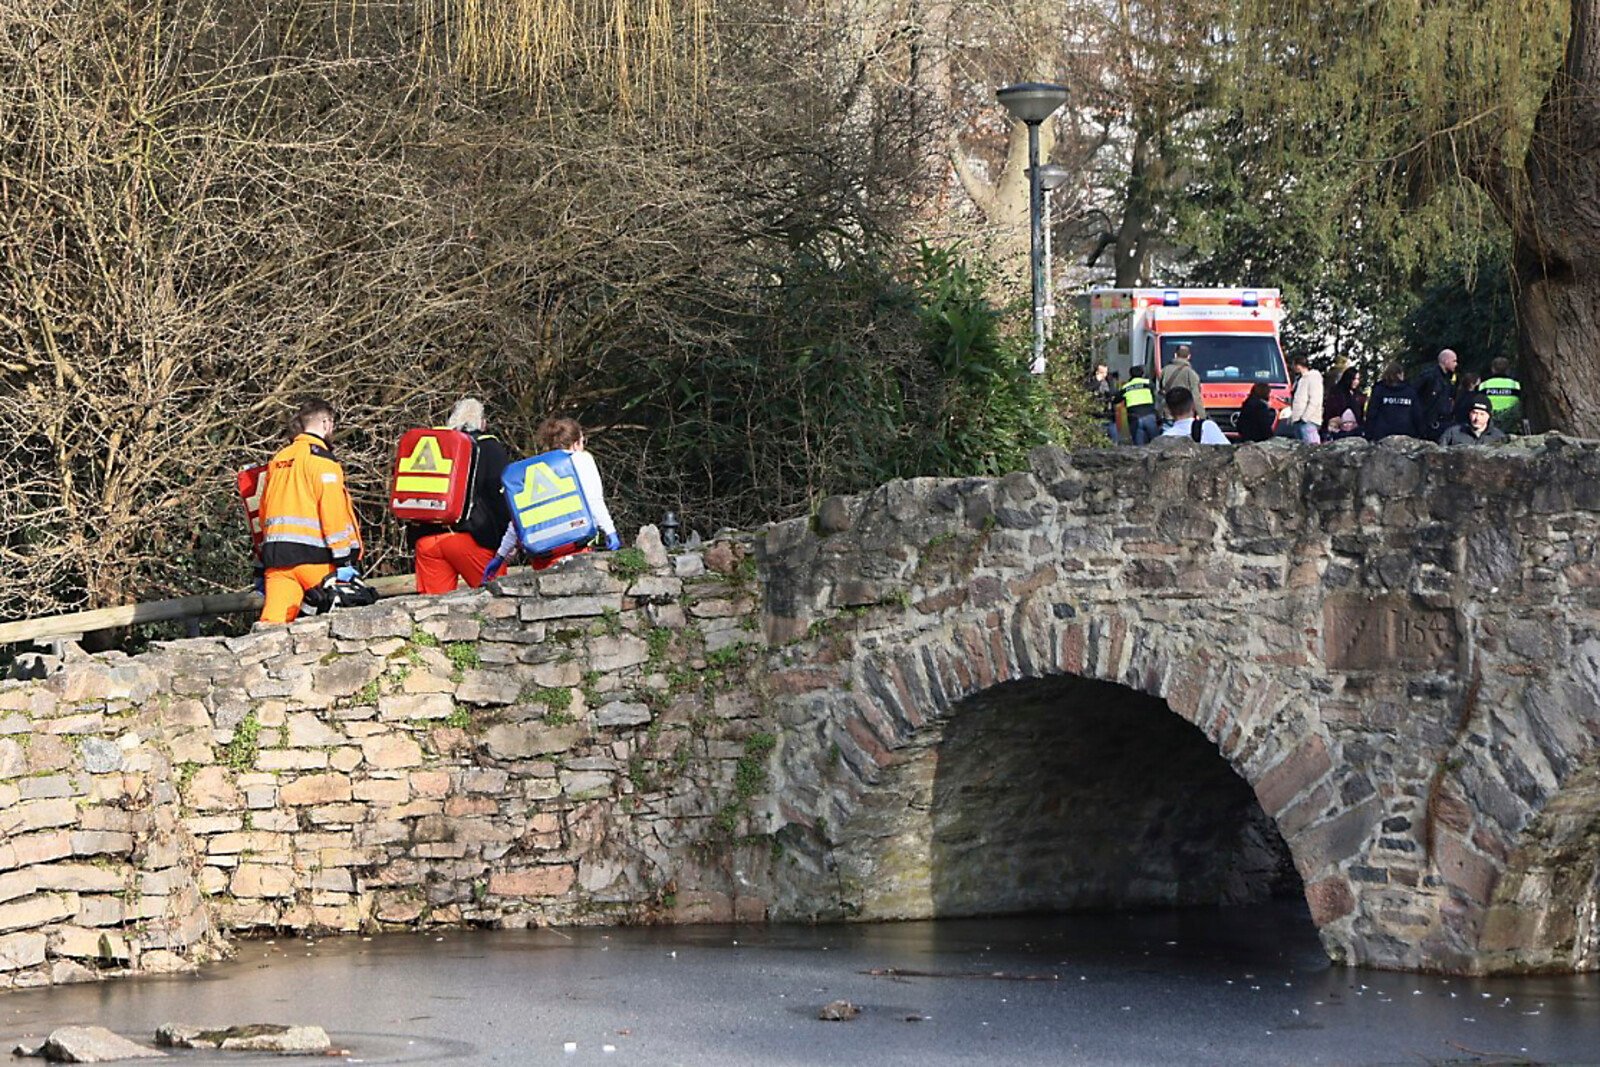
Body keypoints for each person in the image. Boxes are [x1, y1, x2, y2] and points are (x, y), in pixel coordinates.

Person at [257, 399, 363, 624]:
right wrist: (344, 560)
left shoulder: (279, 459)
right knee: (344, 620)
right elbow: (332, 512)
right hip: (318, 560)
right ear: (326, 423)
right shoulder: (322, 461)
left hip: (279, 561)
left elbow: (264, 509)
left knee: (271, 627)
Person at [485, 416, 621, 579]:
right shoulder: (579, 459)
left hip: (542, 557)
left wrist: (500, 556)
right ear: (577, 443)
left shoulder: (528, 471)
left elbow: (518, 521)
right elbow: (594, 501)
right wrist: (610, 530)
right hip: (576, 549)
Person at [409, 398, 514, 595]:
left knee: (432, 613)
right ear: (482, 423)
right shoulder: (490, 448)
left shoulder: (435, 445)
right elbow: (500, 500)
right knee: (497, 604)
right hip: (471, 540)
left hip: (427, 541)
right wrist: (507, 543)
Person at [1365, 362, 1425, 441]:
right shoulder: (1410, 391)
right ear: (1400, 374)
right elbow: (1417, 414)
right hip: (1406, 435)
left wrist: (1369, 434)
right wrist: (1421, 433)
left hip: (1382, 435)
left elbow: (1371, 413)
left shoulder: (1379, 390)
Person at [1414, 347, 1458, 441]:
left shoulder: (1448, 379)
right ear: (1446, 361)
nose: (1456, 364)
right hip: (1429, 424)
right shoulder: (1429, 376)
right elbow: (1415, 395)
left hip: (1444, 423)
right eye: (1454, 361)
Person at [1159, 386, 1228, 444]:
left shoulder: (1165, 438)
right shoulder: (1207, 427)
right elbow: (1228, 451)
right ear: (1193, 406)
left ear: (1169, 411)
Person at [1158, 343, 1206, 422]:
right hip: (1184, 416)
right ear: (1189, 356)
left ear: (1175, 355)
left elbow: (1159, 391)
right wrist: (1202, 416)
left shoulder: (1165, 370)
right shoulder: (1190, 373)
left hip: (1168, 414)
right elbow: (1195, 396)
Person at [1281, 355, 1323, 443]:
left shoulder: (1313, 378)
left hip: (1308, 421)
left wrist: (1305, 417)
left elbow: (1315, 400)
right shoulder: (1299, 380)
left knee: (1311, 447)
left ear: (1298, 366)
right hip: (1298, 420)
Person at [1440, 395, 1508, 446]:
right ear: (1469, 413)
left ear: (1489, 416)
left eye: (1482, 414)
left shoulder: (1498, 437)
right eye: (1474, 413)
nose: (1477, 418)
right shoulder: (1453, 433)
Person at [1481, 358, 1523, 433]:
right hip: (1511, 423)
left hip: (1490, 422)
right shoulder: (1516, 385)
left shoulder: (1484, 385)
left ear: (1492, 369)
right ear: (1508, 370)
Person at [1118, 369, 1159, 445]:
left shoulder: (1125, 387)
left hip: (1134, 418)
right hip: (1149, 415)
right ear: (1142, 374)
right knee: (1156, 444)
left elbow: (1117, 400)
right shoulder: (1148, 383)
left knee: (1138, 450)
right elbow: (1155, 394)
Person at [1322, 366, 1366, 434]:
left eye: (1358, 379)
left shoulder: (1357, 394)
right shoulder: (1337, 392)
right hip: (1338, 429)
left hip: (1355, 429)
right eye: (1354, 379)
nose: (1356, 382)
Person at [1089, 363, 1119, 443]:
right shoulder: (1090, 380)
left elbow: (1114, 392)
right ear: (1096, 372)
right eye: (1101, 372)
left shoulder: (1109, 380)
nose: (1104, 375)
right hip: (1096, 417)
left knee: (1114, 440)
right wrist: (1096, 381)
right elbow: (1086, 391)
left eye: (1105, 372)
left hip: (1109, 415)